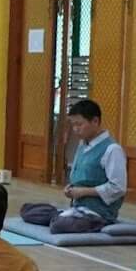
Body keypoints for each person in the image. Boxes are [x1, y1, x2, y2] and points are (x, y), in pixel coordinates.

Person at [20, 99, 127, 234]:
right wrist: (71, 189)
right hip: (78, 208)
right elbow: (77, 178)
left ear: (95, 121)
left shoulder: (112, 149)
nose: (75, 129)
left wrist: (83, 192)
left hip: (98, 214)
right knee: (27, 210)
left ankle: (63, 218)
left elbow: (118, 188)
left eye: (79, 124)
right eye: (73, 125)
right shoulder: (82, 145)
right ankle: (62, 215)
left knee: (59, 226)